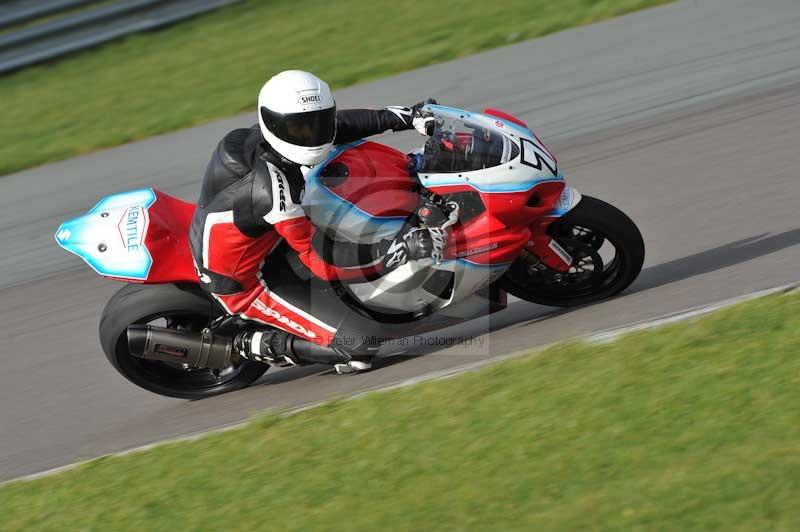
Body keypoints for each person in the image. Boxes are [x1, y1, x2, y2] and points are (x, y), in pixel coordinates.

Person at [189, 70, 441, 373]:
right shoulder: (272, 195)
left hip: (268, 239)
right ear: (274, 124)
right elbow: (321, 260)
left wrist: (405, 116)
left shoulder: (265, 138)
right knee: (360, 345)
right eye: (300, 128)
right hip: (247, 282)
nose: (312, 136)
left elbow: (339, 127)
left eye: (318, 123)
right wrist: (394, 251)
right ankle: (249, 342)